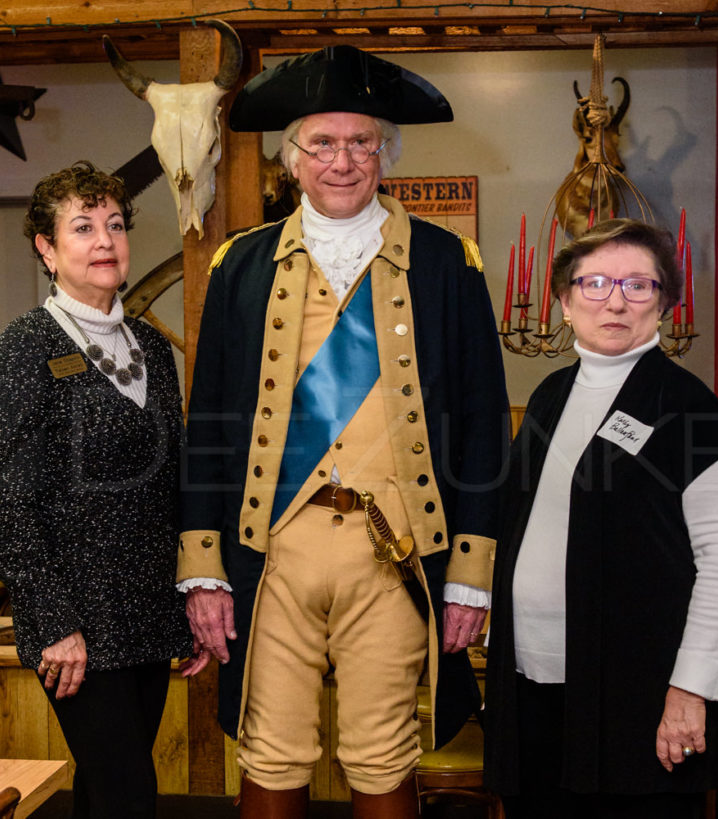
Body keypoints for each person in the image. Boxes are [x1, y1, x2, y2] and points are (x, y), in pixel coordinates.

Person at [178, 46, 509, 817]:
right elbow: (212, 421)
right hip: (274, 546)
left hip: (395, 548)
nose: (343, 160)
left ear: (386, 154)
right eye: (323, 143)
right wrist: (203, 565)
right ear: (292, 160)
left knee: (382, 749)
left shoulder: (447, 262)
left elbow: (485, 424)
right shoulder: (242, 264)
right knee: (270, 746)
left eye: (362, 142)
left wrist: (470, 569)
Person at [484, 219, 718, 818]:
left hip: (640, 692)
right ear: (563, 301)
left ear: (664, 302)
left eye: (639, 285)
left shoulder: (686, 405)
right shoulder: (549, 396)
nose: (615, 300)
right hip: (533, 681)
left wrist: (691, 687)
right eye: (596, 283)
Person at [0, 160, 189, 818]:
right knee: (130, 796)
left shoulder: (152, 347)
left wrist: (189, 597)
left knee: (105, 793)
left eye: (116, 225)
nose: (105, 241)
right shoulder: (25, 346)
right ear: (46, 247)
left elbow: (170, 483)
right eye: (83, 226)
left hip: (149, 613)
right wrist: (55, 622)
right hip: (75, 622)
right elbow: (4, 499)